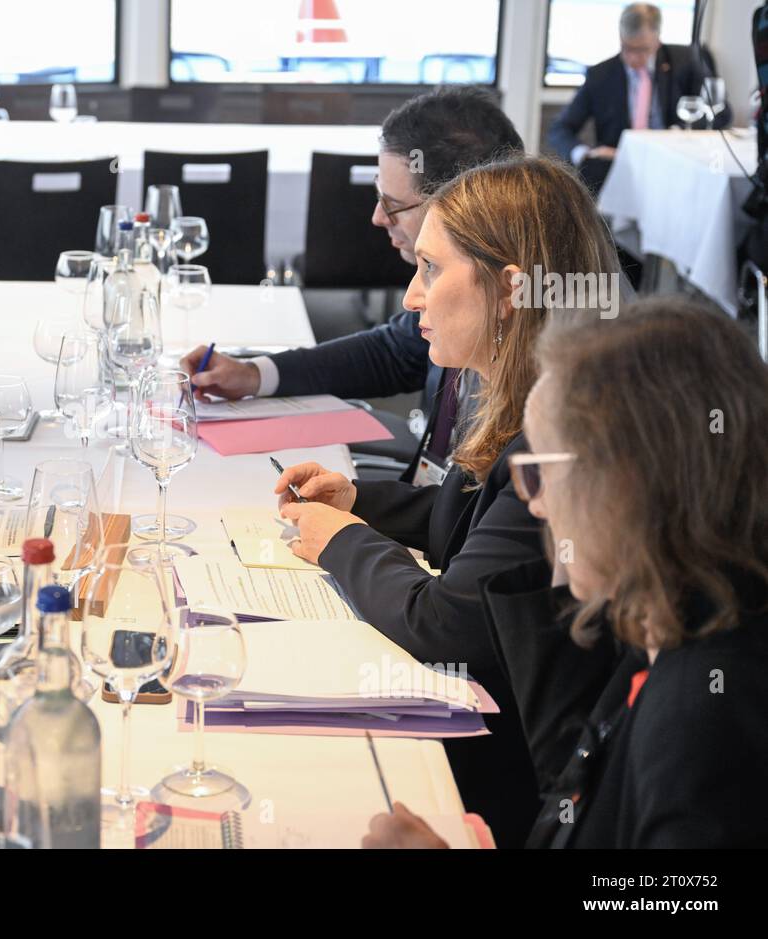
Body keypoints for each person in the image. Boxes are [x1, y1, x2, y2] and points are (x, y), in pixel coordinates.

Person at [275, 155, 623, 846]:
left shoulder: (556, 439)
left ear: (509, 289)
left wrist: (338, 537)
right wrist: (360, 499)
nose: (410, 296)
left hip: (512, 765)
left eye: (431, 269)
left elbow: (445, 620)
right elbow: (476, 534)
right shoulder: (512, 390)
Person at [364, 299, 768, 848]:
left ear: (629, 485)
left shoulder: (708, 721)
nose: (534, 504)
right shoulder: (661, 623)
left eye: (543, 471)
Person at [181, 86, 523, 482]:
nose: (378, 218)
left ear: (465, 202)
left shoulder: (537, 357)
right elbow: (393, 352)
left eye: (393, 205)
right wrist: (254, 375)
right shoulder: (470, 294)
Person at [548, 3, 731, 194]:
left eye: (642, 49)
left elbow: (722, 112)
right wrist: (586, 154)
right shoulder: (600, 75)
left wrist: (677, 134)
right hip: (619, 167)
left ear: (657, 40)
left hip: (674, 164)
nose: (634, 57)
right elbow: (560, 129)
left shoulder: (686, 61)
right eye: (627, 48)